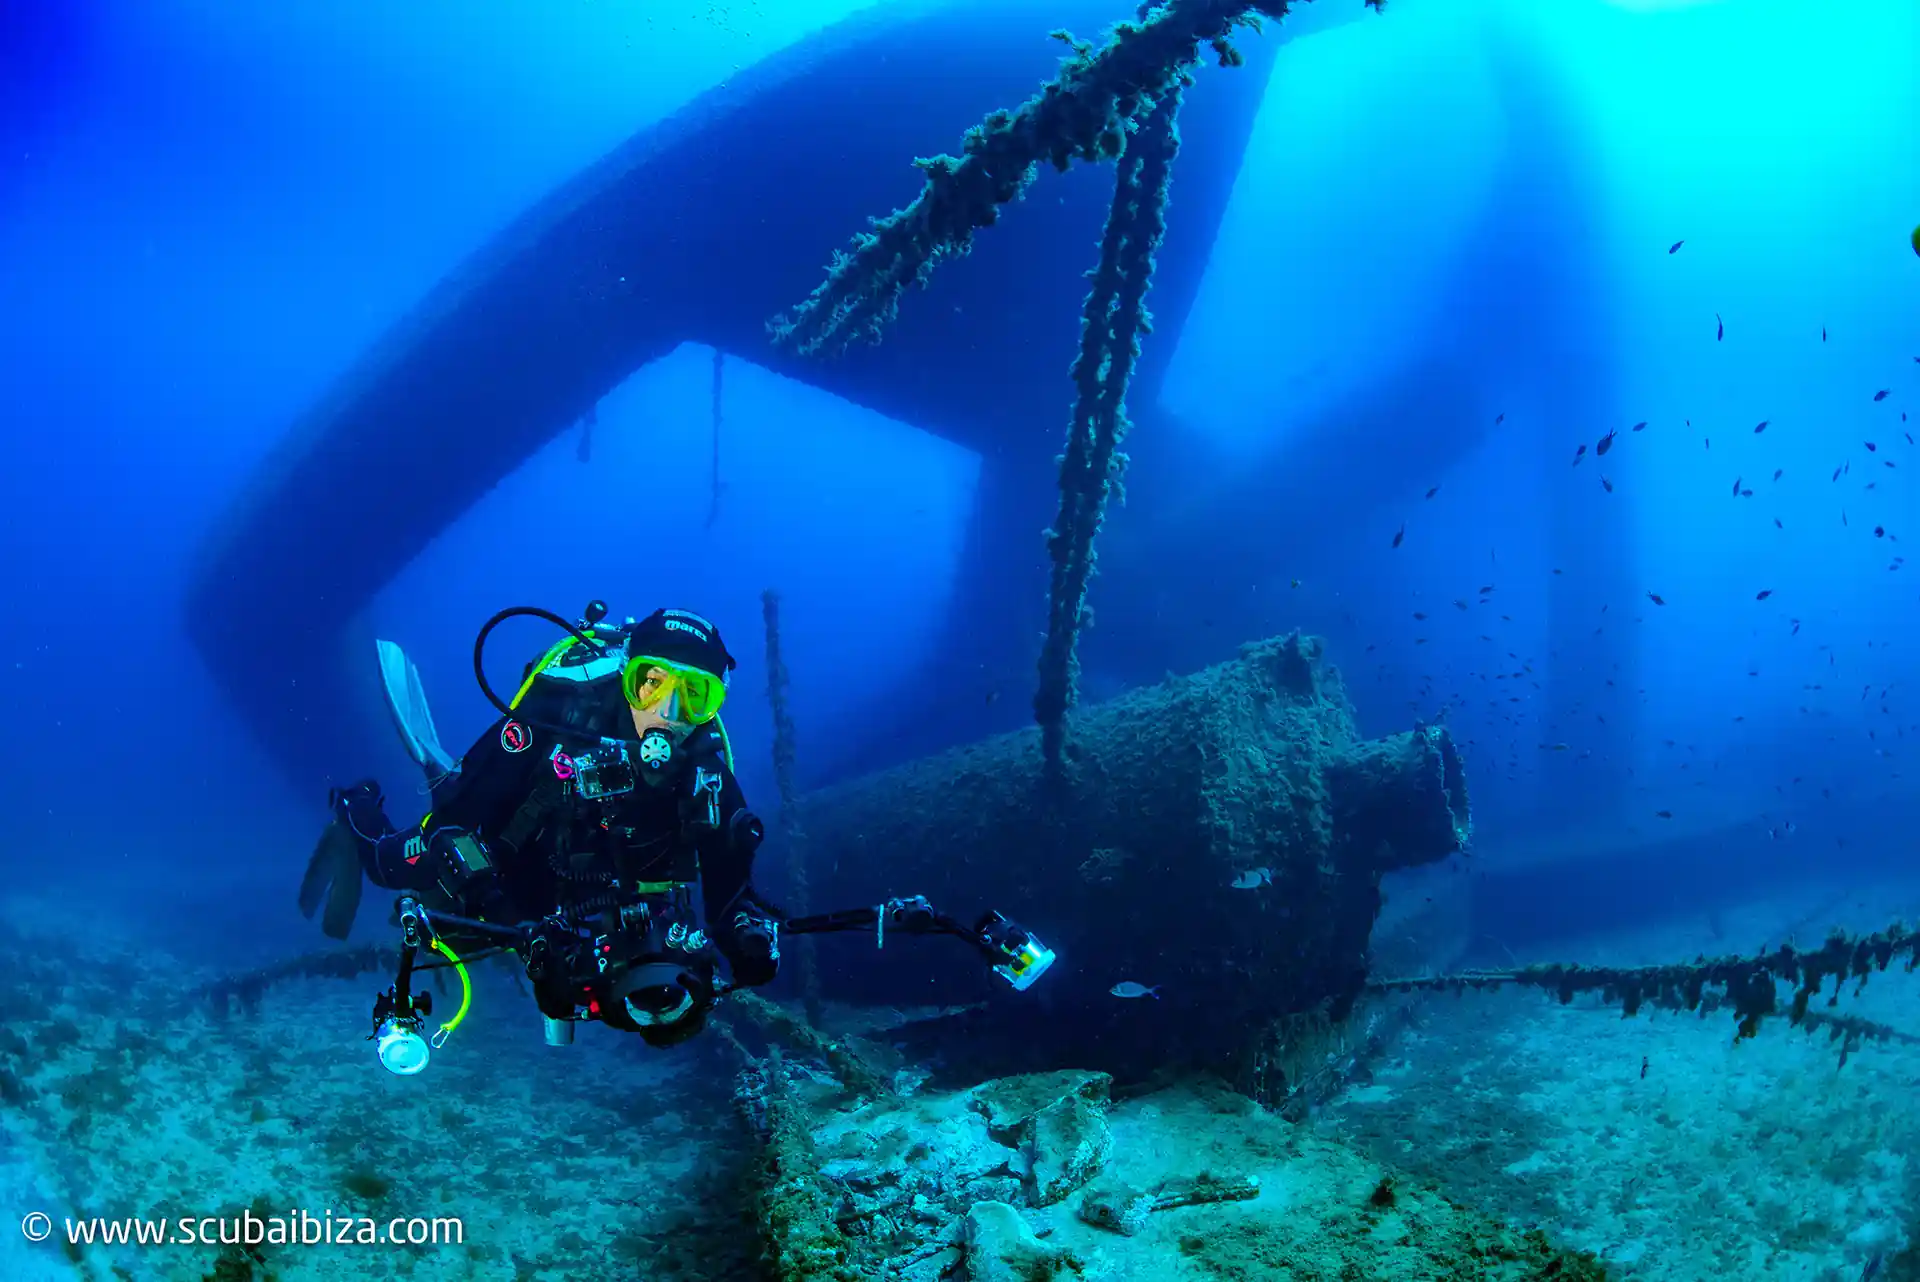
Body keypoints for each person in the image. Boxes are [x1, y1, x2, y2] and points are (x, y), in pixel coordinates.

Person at [299, 603, 780, 1049]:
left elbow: (731, 892)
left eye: (695, 694)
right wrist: (517, 929)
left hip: (584, 884)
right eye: (651, 683)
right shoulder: (559, 711)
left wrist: (747, 939)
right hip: (509, 852)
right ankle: (355, 807)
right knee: (389, 865)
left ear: (714, 703)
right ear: (626, 674)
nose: (668, 712)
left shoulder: (706, 769)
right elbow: (453, 828)